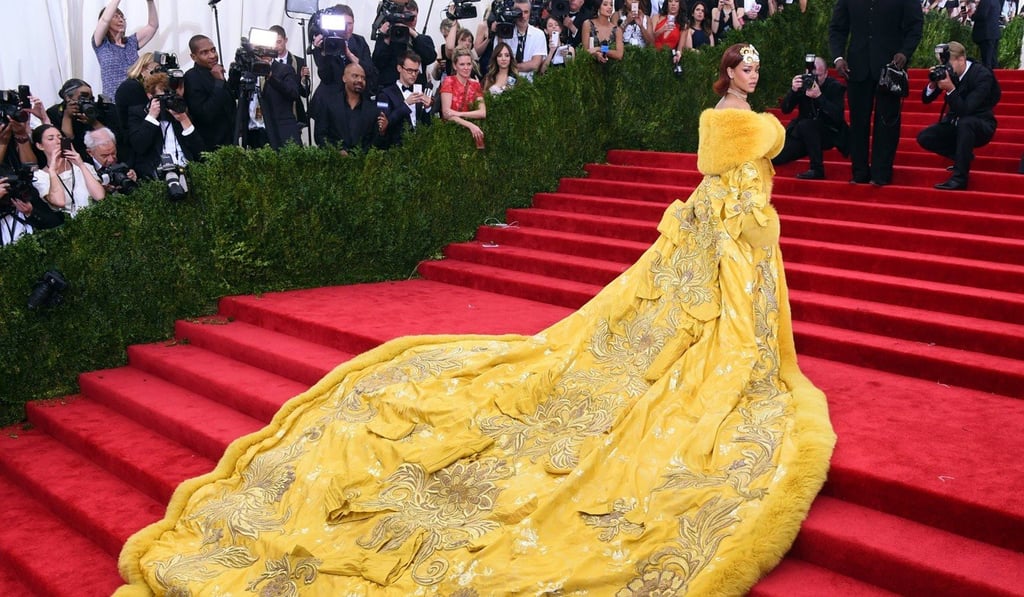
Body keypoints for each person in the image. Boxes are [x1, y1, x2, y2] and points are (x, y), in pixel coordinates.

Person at [117, 41, 834, 597]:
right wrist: (768, 145)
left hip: (738, 234)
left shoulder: (749, 119)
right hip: (722, 229)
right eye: (743, 64)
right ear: (726, 74)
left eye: (755, 67)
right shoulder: (728, 121)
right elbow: (742, 163)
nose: (751, 71)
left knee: (719, 327)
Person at [829, 0, 923, 186]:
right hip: (857, 67)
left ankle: (881, 173)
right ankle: (859, 172)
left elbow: (915, 25)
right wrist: (838, 57)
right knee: (858, 122)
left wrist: (905, 52)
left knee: (887, 122)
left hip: (890, 67)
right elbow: (837, 27)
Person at [917, 42, 1000, 190]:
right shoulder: (951, 72)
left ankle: (959, 178)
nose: (946, 68)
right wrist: (933, 84)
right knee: (925, 137)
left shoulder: (982, 75)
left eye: (947, 64)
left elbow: (966, 109)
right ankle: (963, 156)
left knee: (966, 122)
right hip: (955, 123)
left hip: (981, 124)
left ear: (961, 60)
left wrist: (950, 89)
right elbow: (926, 99)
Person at [772, 56, 849, 180]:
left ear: (826, 73)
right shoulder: (804, 84)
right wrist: (793, 91)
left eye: (818, 76)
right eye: (812, 75)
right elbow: (785, 110)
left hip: (828, 132)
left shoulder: (835, 87)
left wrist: (819, 96)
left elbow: (837, 117)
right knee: (775, 157)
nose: (814, 80)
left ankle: (817, 169)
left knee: (806, 125)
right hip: (804, 134)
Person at [126, 72, 205, 180]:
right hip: (157, 176)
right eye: (164, 96)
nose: (169, 99)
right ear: (150, 96)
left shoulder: (179, 108)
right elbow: (139, 146)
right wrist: (152, 117)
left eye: (172, 95)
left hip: (187, 171)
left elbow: (200, 152)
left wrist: (184, 119)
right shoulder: (138, 114)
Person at [31, 124, 106, 218]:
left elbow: (99, 196)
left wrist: (81, 164)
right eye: (51, 139)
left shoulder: (83, 167)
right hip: (69, 227)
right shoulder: (40, 176)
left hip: (96, 219)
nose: (58, 141)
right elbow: (59, 202)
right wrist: (53, 171)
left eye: (60, 137)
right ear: (40, 146)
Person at [313, 63, 387, 152]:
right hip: (334, 162)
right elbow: (320, 135)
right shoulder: (328, 103)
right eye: (355, 76)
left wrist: (382, 132)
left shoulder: (372, 108)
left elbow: (376, 143)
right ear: (344, 78)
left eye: (363, 78)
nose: (360, 80)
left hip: (363, 162)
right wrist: (336, 151)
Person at [92, 0, 160, 96]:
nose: (121, 19)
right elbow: (104, 20)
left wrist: (150, 2)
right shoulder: (102, 44)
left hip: (135, 100)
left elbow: (153, 26)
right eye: (115, 16)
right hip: (113, 102)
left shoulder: (130, 42)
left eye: (122, 17)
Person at [183, 35, 237, 152]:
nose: (212, 55)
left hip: (231, 143)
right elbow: (205, 114)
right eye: (204, 52)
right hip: (210, 147)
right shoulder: (191, 77)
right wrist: (218, 82)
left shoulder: (216, 71)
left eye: (213, 50)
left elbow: (229, 103)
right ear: (193, 57)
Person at [309, 4, 378, 93]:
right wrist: (322, 53)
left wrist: (350, 55)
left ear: (354, 22)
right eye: (343, 24)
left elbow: (371, 71)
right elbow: (325, 77)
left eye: (349, 24)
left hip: (356, 93)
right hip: (331, 95)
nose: (346, 28)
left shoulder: (359, 41)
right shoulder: (325, 42)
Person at [47, 79, 120, 160]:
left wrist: (94, 122)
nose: (87, 101)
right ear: (68, 98)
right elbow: (67, 143)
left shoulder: (103, 109)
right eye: (83, 97)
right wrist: (67, 117)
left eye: (91, 99)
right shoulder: (55, 113)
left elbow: (114, 140)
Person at [372, 0, 437, 90]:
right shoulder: (389, 37)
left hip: (416, 88)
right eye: (408, 16)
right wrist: (386, 38)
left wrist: (413, 33)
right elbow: (377, 63)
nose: (412, 19)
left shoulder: (423, 39)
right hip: (391, 89)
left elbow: (430, 57)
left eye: (414, 16)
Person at [379, 51, 434, 148]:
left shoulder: (419, 91)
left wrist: (427, 108)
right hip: (396, 149)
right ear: (399, 68)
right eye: (409, 70)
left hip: (420, 147)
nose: (413, 74)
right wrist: (405, 105)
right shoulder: (385, 94)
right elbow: (385, 124)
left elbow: (427, 124)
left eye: (416, 71)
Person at [269, 25, 311, 138]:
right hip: (272, 113)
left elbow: (305, 93)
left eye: (279, 42)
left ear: (285, 40)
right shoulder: (266, 63)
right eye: (273, 43)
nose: (276, 46)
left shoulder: (298, 62)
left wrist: (303, 80)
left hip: (293, 114)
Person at [440, 48, 486, 147]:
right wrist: (469, 125)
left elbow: (482, 113)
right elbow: (446, 114)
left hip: (471, 135)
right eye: (462, 64)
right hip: (451, 133)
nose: (466, 68)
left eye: (469, 64)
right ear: (454, 66)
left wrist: (458, 113)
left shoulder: (475, 85)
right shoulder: (449, 81)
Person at [494, 0, 549, 81]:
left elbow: (535, 65)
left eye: (526, 12)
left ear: (530, 13)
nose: (522, 16)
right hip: (505, 81)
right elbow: (498, 59)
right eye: (519, 12)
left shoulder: (538, 34)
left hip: (529, 82)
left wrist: (509, 67)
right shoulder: (504, 31)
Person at [83, 127, 138, 192]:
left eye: (113, 153)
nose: (111, 160)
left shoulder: (127, 156)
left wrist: (133, 180)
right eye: (105, 156)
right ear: (90, 152)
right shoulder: (82, 165)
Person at [972, 0, 1002, 69]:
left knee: (987, 60)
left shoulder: (986, 1)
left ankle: (988, 78)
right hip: (994, 33)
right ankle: (995, 77)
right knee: (993, 59)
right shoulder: (996, 1)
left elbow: (982, 15)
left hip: (986, 34)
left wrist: (973, 15)